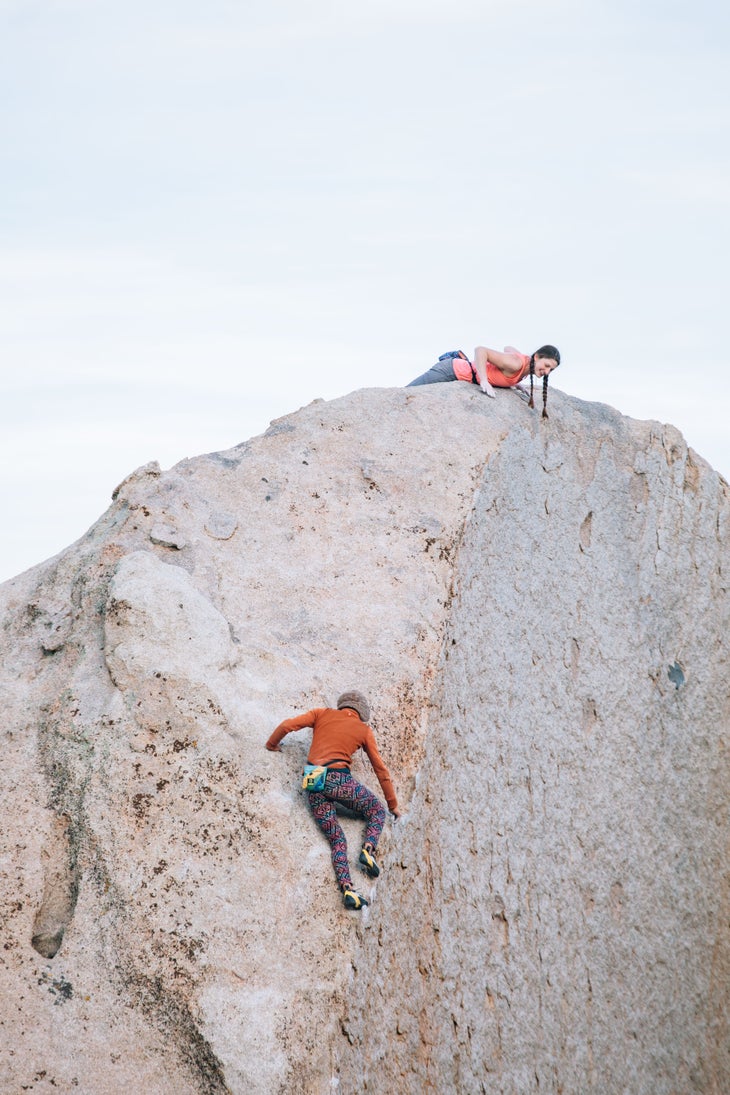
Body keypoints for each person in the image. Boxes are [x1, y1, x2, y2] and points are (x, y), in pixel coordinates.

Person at [265, 690, 400, 910]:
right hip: (338, 778)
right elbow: (380, 770)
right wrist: (393, 806)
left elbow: (287, 725)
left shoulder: (321, 713)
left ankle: (348, 890)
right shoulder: (363, 730)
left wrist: (272, 744)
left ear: (342, 706)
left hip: (312, 778)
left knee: (337, 840)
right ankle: (368, 849)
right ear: (361, 713)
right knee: (376, 810)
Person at [407, 344, 561, 418]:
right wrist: (484, 380)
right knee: (406, 395)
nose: (547, 372)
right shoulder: (516, 363)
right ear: (536, 357)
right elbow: (481, 350)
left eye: (551, 370)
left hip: (459, 374)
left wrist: (514, 381)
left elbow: (508, 347)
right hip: (451, 371)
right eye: (546, 365)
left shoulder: (525, 365)